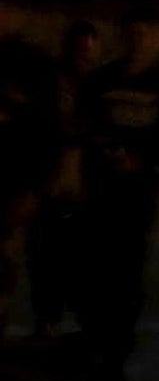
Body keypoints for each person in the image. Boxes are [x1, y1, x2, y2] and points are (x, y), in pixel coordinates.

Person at [72, 9, 159, 381]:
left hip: (140, 192)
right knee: (96, 267)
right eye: (133, 31)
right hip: (103, 189)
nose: (139, 38)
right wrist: (102, 155)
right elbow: (83, 126)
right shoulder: (103, 79)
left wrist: (148, 168)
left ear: (158, 38)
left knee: (128, 271)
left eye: (146, 32)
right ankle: (93, 343)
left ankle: (116, 351)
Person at [26, 20, 101, 337]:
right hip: (51, 185)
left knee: (82, 262)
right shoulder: (50, 82)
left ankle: (78, 324)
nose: (82, 56)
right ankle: (48, 322)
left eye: (88, 50)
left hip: (86, 188)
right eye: (78, 49)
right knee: (44, 259)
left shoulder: (99, 85)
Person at [0, 3, 59, 337]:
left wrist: (35, 187)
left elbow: (48, 132)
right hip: (15, 178)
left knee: (8, 257)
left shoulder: (34, 65)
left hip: (15, 180)